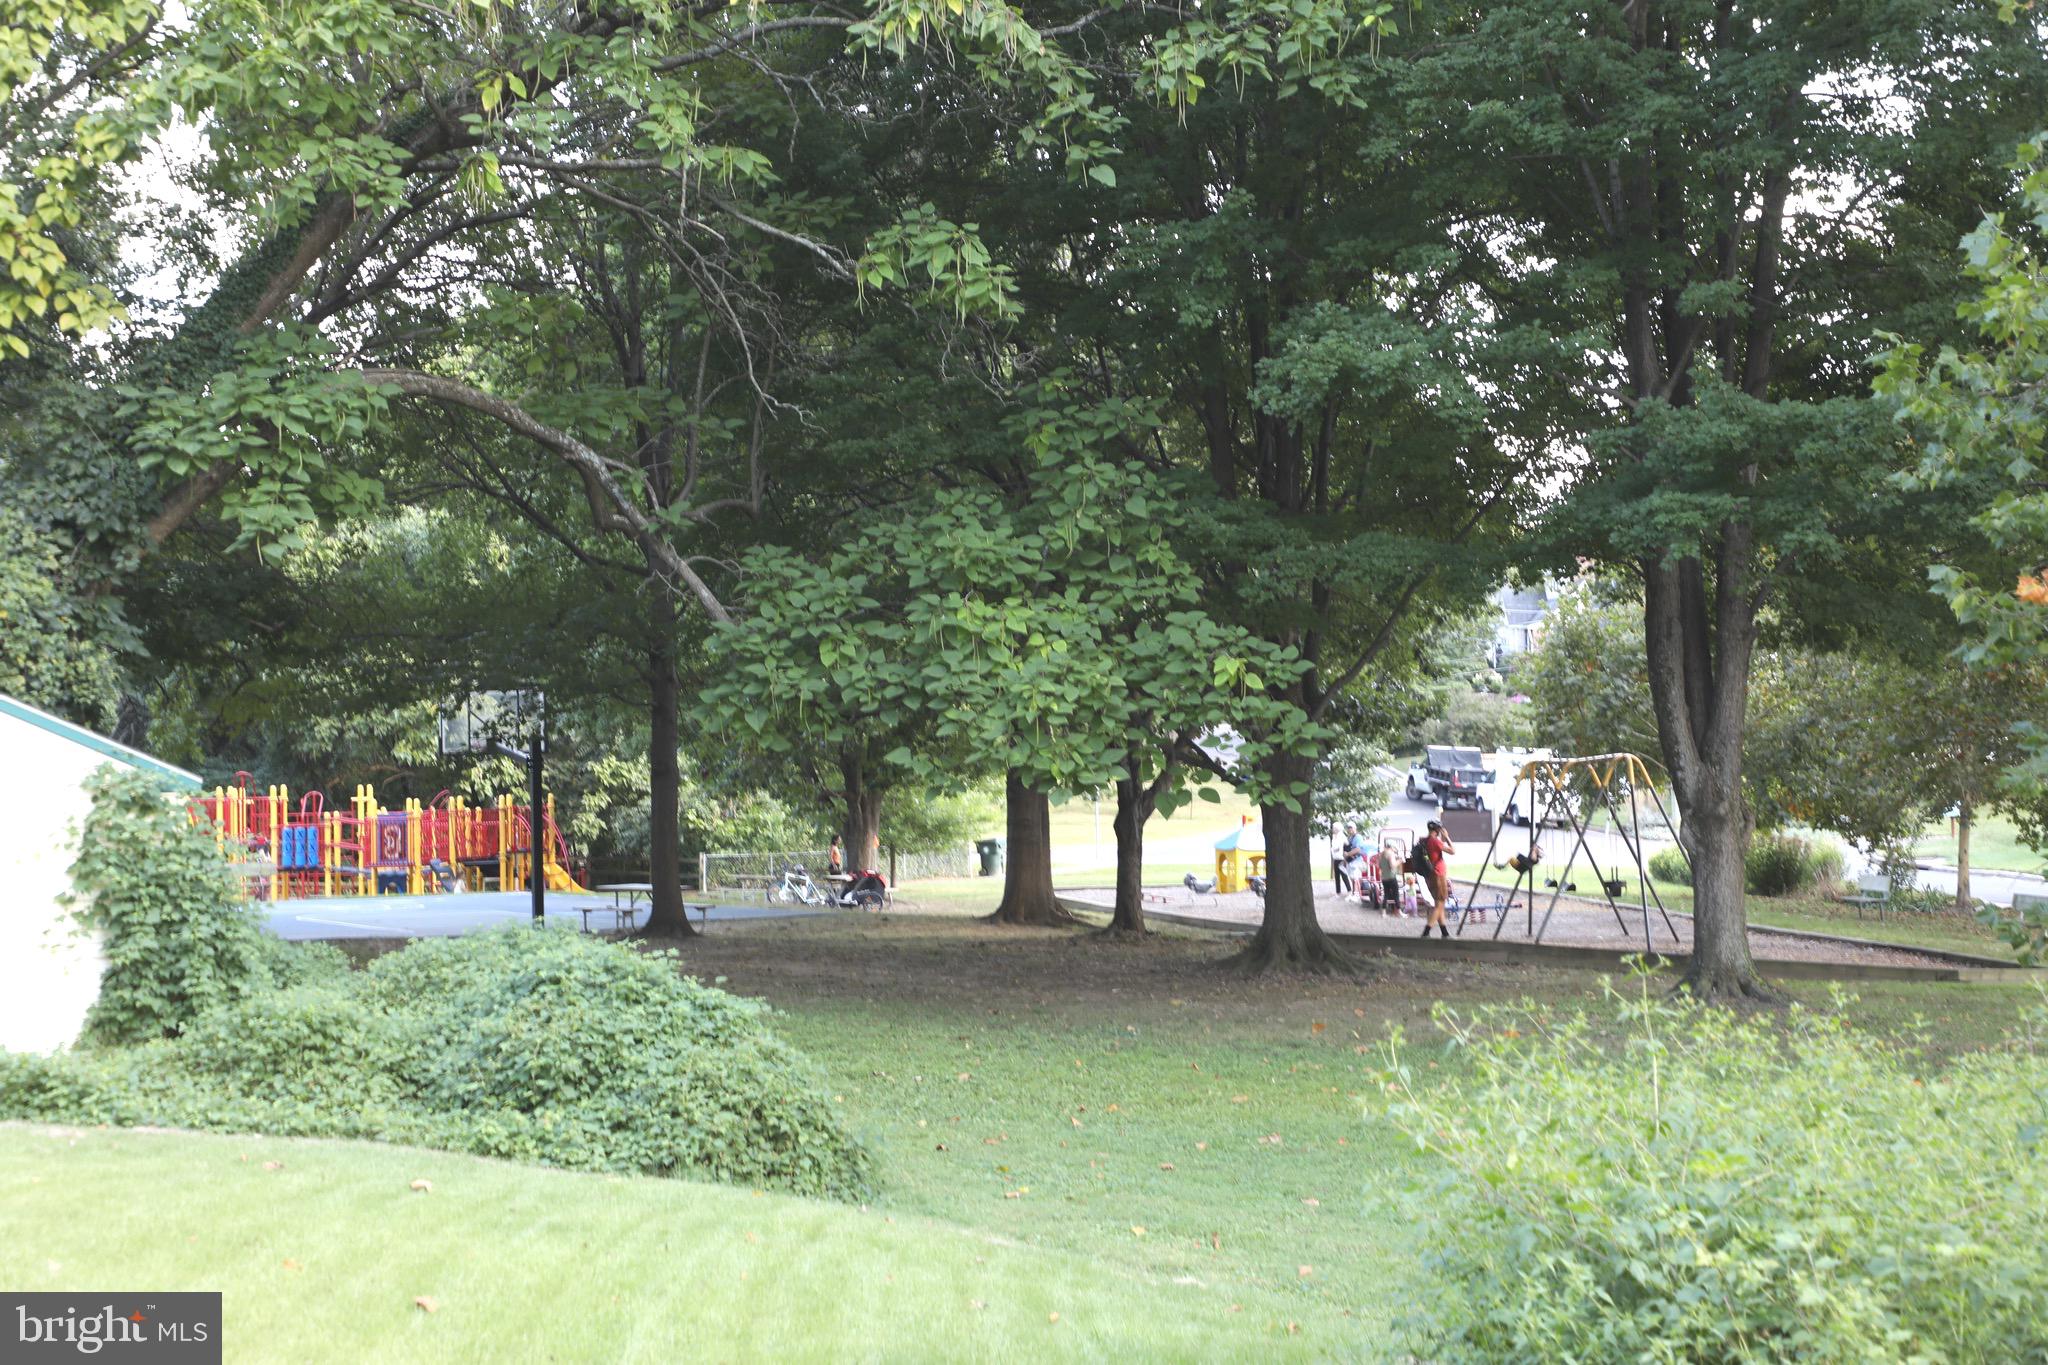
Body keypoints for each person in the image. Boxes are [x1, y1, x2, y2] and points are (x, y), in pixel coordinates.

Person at [1418, 819, 1455, 940]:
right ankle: (1426, 932)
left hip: (1430, 875)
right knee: (1439, 905)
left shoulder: (1424, 840)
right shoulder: (1435, 841)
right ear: (1437, 829)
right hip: (1438, 875)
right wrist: (1447, 837)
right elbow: (1452, 851)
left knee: (1439, 904)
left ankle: (1445, 933)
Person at [1340, 822, 1369, 903]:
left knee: (1356, 877)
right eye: (1348, 828)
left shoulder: (1358, 837)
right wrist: (1345, 857)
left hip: (1358, 860)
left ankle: (1357, 894)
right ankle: (1353, 893)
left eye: (1351, 827)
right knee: (1352, 878)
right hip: (1351, 861)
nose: (1349, 829)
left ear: (1355, 828)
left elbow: (1358, 849)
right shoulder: (1350, 838)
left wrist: (1348, 854)